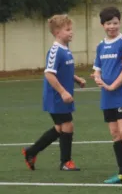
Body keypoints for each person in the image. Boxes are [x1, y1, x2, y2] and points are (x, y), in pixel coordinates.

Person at [22, 15, 85, 171]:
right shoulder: (55, 51)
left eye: (71, 29)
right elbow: (49, 74)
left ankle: (31, 152)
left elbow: (63, 70)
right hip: (56, 97)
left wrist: (76, 78)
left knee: (59, 128)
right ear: (57, 32)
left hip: (61, 96)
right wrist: (63, 92)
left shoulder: (65, 48)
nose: (71, 32)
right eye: (67, 30)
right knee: (67, 125)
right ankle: (65, 162)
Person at [93, 7, 122, 185]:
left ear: (119, 23)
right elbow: (97, 69)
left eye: (115, 23)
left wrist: (112, 86)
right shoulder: (100, 46)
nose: (112, 26)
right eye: (108, 23)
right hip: (107, 97)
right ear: (102, 25)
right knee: (115, 134)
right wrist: (98, 78)